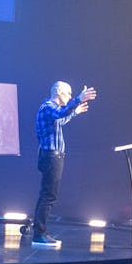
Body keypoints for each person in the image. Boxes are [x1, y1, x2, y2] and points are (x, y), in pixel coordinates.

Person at [32, 81, 96, 248]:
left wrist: (74, 111)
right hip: (51, 156)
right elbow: (60, 114)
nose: (69, 96)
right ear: (59, 91)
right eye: (68, 93)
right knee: (49, 196)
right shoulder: (48, 106)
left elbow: (61, 119)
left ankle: (40, 232)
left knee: (47, 195)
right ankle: (39, 234)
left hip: (53, 156)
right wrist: (78, 99)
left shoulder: (51, 110)